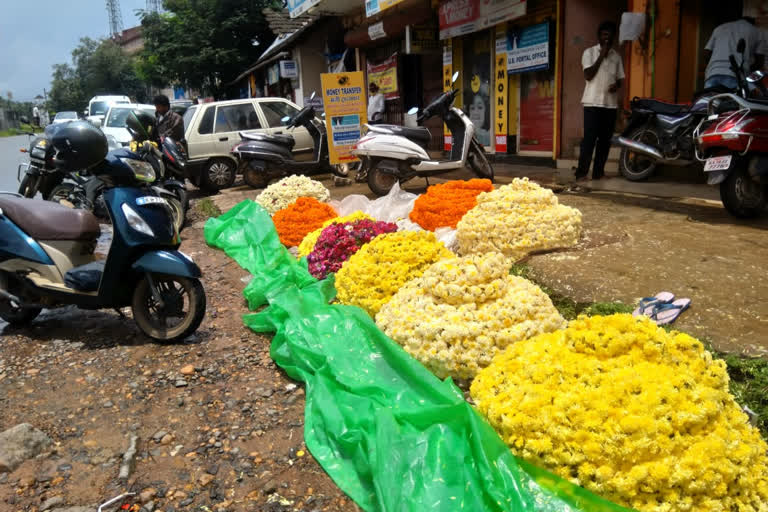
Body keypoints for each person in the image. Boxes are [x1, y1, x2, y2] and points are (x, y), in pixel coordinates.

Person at [575, 21, 624, 181]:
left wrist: (615, 86)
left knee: (605, 141)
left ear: (613, 37)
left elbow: (620, 80)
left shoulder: (616, 57)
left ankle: (598, 173)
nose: (606, 38)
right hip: (592, 103)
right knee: (589, 140)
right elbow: (588, 75)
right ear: (599, 36)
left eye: (609, 35)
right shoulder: (588, 53)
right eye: (604, 35)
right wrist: (601, 55)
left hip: (610, 105)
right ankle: (581, 173)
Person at [703, 17, 767, 90]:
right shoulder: (757, 32)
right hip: (735, 75)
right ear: (753, 23)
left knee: (711, 100)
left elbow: (706, 53)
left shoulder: (720, 28)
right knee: (731, 101)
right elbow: (759, 62)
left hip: (713, 73)